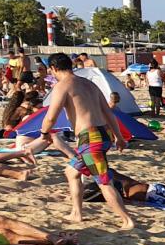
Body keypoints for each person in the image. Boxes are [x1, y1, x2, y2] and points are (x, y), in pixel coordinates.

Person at [36, 53, 135, 229]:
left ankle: (127, 220)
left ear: (53, 68)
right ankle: (77, 213)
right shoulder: (90, 84)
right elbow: (108, 113)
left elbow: (51, 116)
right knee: (71, 172)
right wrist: (119, 137)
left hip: (90, 139)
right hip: (102, 135)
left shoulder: (62, 86)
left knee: (104, 181)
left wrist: (44, 132)